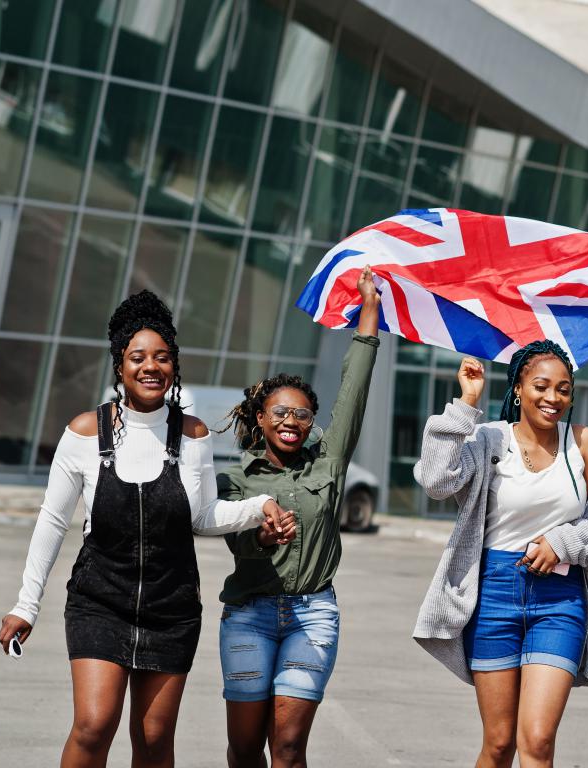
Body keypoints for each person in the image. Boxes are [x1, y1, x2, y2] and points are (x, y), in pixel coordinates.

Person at [0, 290, 293, 767]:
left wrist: (259, 507)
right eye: (138, 357)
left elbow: (200, 516)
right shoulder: (84, 433)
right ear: (120, 365)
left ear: (174, 366)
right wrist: (25, 605)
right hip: (99, 602)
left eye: (162, 357)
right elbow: (52, 522)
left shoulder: (192, 434)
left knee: (154, 740)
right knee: (93, 726)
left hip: (171, 609)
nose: (150, 366)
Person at [412, 340, 588, 768]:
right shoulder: (489, 438)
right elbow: (436, 481)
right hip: (492, 595)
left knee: (539, 741)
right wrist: (465, 405)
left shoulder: (582, 443)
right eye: (542, 386)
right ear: (519, 388)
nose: (553, 398)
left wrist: (562, 543)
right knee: (499, 743)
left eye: (564, 389)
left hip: (560, 601)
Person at [214, 265, 380, 768]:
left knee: (287, 747)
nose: (292, 422)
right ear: (261, 419)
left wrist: (369, 311)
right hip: (249, 614)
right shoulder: (236, 480)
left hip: (313, 615)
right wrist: (261, 537)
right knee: (245, 750)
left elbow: (353, 391)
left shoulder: (328, 460)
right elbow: (233, 541)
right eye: (281, 413)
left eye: (303, 414)